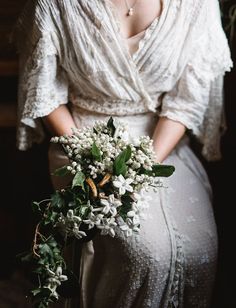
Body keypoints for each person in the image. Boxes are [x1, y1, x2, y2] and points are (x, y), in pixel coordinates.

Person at [15, 0, 232, 307]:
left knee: (199, 249)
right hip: (81, 140)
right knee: (147, 254)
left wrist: (143, 165)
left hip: (162, 142)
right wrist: (91, 157)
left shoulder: (196, 5)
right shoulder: (56, 4)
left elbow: (186, 102)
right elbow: (47, 95)